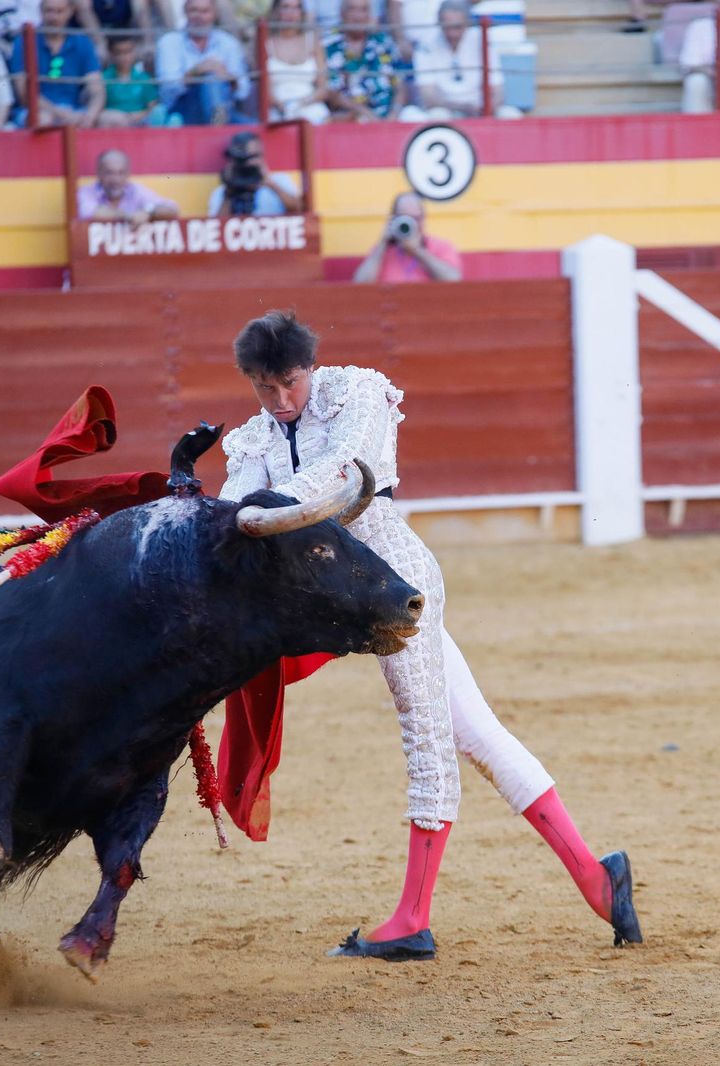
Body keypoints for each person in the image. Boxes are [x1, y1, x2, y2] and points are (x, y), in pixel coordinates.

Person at [217, 310, 643, 961]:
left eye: (290, 383)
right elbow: (235, 511)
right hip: (330, 595)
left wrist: (260, 511)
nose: (280, 401)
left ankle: (413, 918)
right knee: (475, 732)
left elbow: (343, 471)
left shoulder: (357, 392)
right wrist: (201, 499)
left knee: (427, 732)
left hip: (392, 581)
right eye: (264, 389)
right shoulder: (253, 439)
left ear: (311, 368)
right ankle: (596, 875)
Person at [9, 0, 104, 126]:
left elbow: (96, 88)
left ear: (70, 12)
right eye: (49, 11)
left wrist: (90, 116)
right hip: (35, 111)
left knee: (112, 120)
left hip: (74, 110)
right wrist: (58, 113)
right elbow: (24, 94)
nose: (54, 17)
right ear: (41, 12)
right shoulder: (23, 42)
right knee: (44, 120)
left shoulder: (82, 42)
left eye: (59, 11)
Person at [156, 0, 253, 124]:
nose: (199, 17)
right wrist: (197, 72)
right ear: (185, 12)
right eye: (194, 10)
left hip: (226, 109)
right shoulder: (169, 42)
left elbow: (243, 91)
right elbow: (168, 89)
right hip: (183, 113)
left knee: (254, 130)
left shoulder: (228, 42)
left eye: (205, 11)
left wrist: (227, 76)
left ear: (214, 14)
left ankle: (217, 121)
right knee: (210, 78)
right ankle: (217, 123)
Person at [410, 0, 505, 118]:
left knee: (510, 115)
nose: (452, 34)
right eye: (447, 27)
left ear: (467, 23)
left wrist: (487, 109)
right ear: (439, 23)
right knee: (437, 115)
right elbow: (428, 96)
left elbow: (498, 90)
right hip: (444, 110)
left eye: (457, 27)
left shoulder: (482, 40)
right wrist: (461, 108)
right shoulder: (426, 45)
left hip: (480, 109)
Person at [324, 0, 416, 122]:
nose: (358, 16)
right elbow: (332, 92)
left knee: (414, 116)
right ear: (342, 13)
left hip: (389, 113)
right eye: (353, 9)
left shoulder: (384, 43)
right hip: (352, 115)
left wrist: (394, 113)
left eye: (363, 10)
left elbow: (400, 85)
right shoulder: (330, 46)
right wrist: (363, 112)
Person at [352, 191, 461, 283]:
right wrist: (383, 242)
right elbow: (361, 283)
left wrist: (417, 251)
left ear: (423, 219)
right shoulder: (383, 250)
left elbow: (453, 280)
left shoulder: (440, 247)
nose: (409, 224)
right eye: (404, 218)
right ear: (394, 219)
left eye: (414, 218)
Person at [263, 0, 330, 122]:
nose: (291, 13)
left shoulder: (313, 41)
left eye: (296, 8)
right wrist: (284, 107)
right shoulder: (265, 43)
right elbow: (263, 90)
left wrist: (300, 104)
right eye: (285, 7)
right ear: (276, 11)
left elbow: (323, 88)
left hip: (310, 106)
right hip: (276, 110)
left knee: (319, 118)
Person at [208, 130, 303, 215]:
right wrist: (229, 193)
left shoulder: (279, 180)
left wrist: (271, 184)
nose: (247, 164)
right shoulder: (222, 192)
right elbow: (216, 227)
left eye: (252, 157)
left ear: (261, 157)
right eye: (242, 159)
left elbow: (301, 211)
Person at [76, 148, 180, 223]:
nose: (116, 179)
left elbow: (172, 209)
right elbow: (90, 213)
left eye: (121, 173)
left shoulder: (135, 190)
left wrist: (149, 212)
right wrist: (128, 216)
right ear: (99, 173)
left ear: (128, 174)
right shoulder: (85, 193)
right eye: (109, 173)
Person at [97, 33, 158, 125]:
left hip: (140, 123)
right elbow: (99, 107)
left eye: (128, 52)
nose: (124, 57)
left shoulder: (144, 78)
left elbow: (152, 107)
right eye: (119, 53)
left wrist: (140, 115)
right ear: (111, 54)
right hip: (113, 124)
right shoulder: (104, 78)